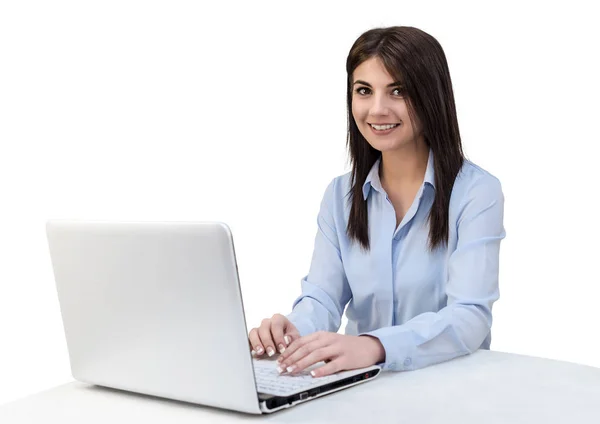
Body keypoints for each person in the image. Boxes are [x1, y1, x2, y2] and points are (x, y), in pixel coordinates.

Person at [248, 26, 506, 378]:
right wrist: (291, 332)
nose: (377, 109)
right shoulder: (340, 197)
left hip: (451, 389)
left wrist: (375, 346)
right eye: (364, 91)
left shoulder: (476, 192)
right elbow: (322, 299)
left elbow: (469, 317)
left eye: (397, 90)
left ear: (431, 95)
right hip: (363, 389)